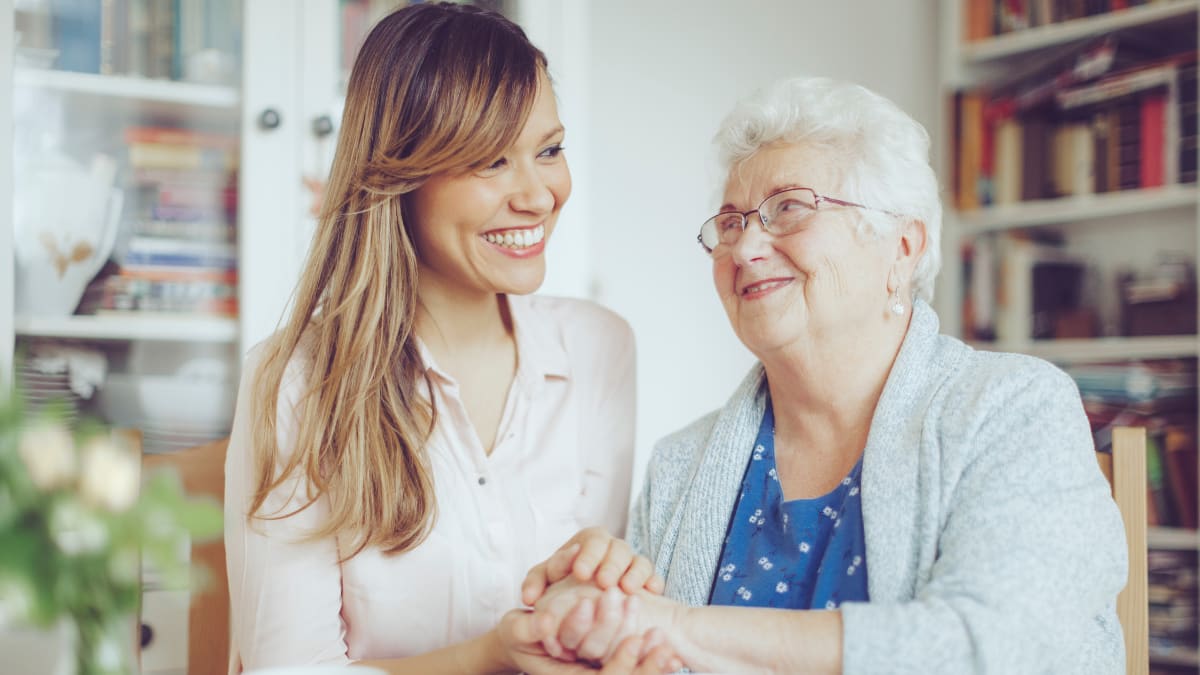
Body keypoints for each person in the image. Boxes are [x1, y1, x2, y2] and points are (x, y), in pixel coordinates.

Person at [521, 76, 1129, 674]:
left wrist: (675, 628)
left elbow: (995, 647)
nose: (745, 247)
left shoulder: (1013, 407)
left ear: (902, 246)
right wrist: (587, 620)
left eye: (789, 209)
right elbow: (638, 648)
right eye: (731, 223)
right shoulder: (681, 465)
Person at [222, 4, 675, 673]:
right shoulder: (296, 381)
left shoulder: (600, 348)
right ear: (399, 176)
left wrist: (594, 612)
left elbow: (584, 621)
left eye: (548, 150)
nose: (539, 196)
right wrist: (492, 656)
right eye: (491, 161)